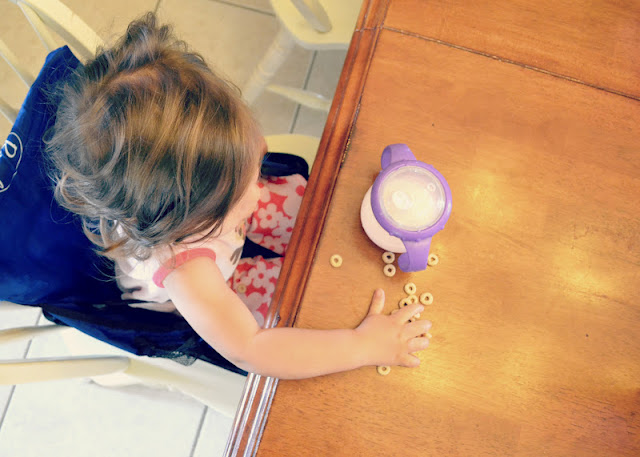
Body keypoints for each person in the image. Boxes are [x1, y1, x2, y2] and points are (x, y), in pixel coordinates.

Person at [47, 13, 431, 380]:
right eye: (243, 188)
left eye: (256, 164)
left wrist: (241, 186)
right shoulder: (187, 274)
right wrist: (362, 346)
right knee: (299, 311)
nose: (260, 188)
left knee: (315, 210)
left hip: (211, 229)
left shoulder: (194, 197)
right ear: (191, 220)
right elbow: (252, 349)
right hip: (216, 280)